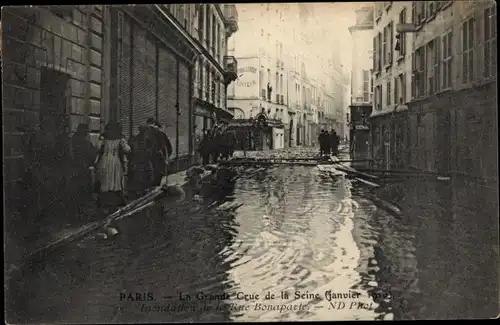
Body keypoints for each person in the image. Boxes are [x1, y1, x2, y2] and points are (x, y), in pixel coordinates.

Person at [94, 122, 131, 213]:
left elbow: (97, 148)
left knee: (104, 182)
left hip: (104, 161)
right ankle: (113, 204)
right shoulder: (120, 137)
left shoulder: (103, 136)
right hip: (116, 161)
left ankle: (104, 203)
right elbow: (128, 150)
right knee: (115, 182)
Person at [70, 123, 98, 216]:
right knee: (83, 195)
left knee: (74, 196)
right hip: (83, 172)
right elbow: (93, 156)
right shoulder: (86, 144)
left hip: (72, 172)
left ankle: (75, 215)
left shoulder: (71, 142)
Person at [128, 125, 155, 198]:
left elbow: (151, 151)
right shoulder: (136, 139)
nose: (144, 133)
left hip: (144, 160)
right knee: (140, 177)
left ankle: (144, 191)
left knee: (147, 175)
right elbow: (132, 150)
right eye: (143, 131)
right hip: (138, 161)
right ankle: (140, 192)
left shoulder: (147, 140)